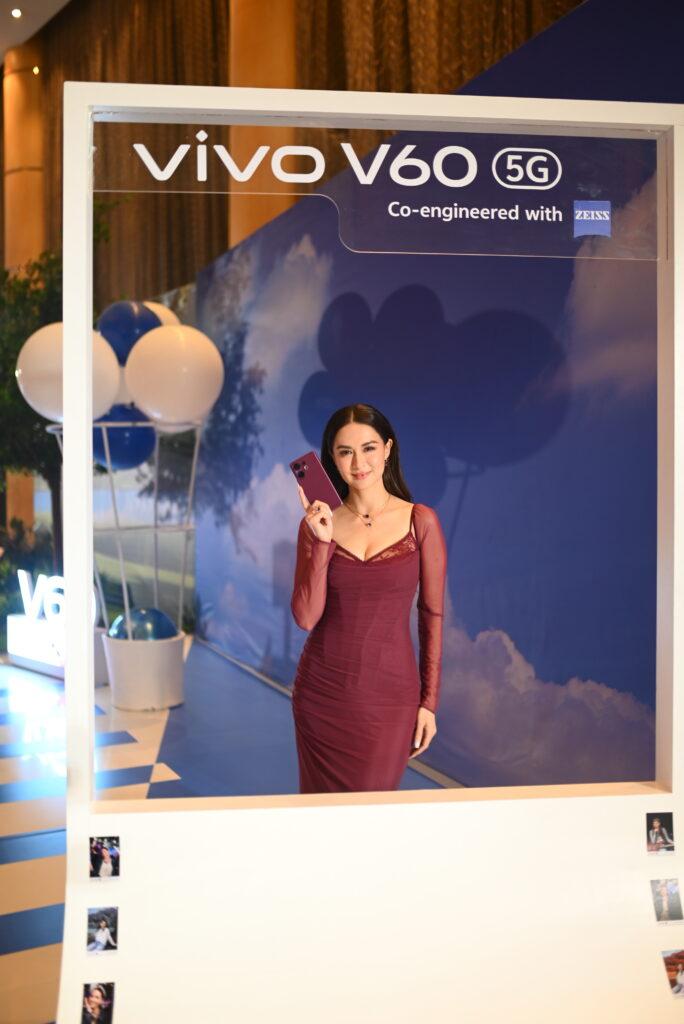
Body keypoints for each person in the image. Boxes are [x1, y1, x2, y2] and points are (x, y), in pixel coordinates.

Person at [291, 403, 447, 793]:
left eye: (369, 448)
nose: (358, 463)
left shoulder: (420, 521)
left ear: (388, 449)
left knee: (371, 816)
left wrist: (428, 702)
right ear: (332, 459)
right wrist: (322, 542)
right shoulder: (317, 524)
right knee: (320, 817)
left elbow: (431, 615)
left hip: (389, 701)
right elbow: (306, 618)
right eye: (345, 452)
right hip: (319, 696)